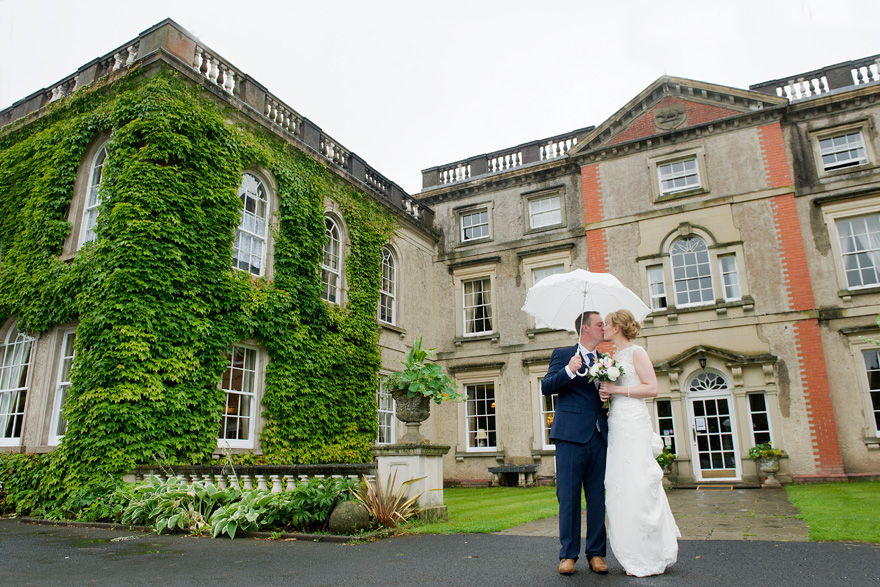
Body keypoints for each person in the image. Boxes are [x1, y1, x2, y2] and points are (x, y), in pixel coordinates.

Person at [598, 309, 680, 577]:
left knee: (638, 482)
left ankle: (651, 551)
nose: (604, 328)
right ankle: (631, 549)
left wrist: (616, 389)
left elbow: (652, 388)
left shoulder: (637, 352)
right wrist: (604, 393)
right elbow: (614, 391)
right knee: (619, 484)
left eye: (607, 325)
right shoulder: (612, 358)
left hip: (634, 422)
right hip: (618, 423)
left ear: (617, 328)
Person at [541, 310, 609, 576]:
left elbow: (604, 399)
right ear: (586, 329)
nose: (604, 327)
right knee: (568, 497)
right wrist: (570, 370)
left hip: (599, 436)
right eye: (599, 324)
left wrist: (607, 394)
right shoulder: (563, 354)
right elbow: (547, 387)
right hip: (570, 436)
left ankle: (597, 554)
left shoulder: (605, 361)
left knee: (597, 498)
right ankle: (568, 555)